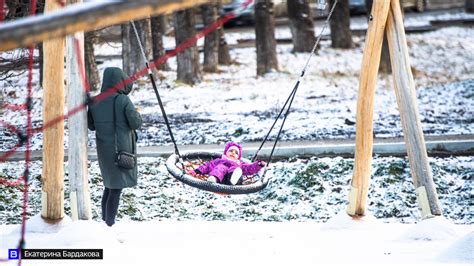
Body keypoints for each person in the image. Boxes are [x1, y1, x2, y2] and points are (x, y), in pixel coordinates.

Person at [87, 67, 142, 227]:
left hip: (104, 151)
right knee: (116, 189)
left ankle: (105, 223)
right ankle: (109, 225)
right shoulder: (123, 100)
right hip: (122, 150)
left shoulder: (95, 101)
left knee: (109, 186)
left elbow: (91, 125)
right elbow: (135, 123)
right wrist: (137, 113)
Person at [189, 141, 266, 185]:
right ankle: (213, 178)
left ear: (238, 157)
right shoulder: (219, 161)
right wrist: (197, 171)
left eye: (236, 153)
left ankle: (233, 179)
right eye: (231, 151)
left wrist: (258, 165)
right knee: (221, 168)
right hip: (220, 180)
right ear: (226, 153)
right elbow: (207, 166)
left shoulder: (240, 164)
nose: (233, 153)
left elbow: (249, 169)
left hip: (234, 182)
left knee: (237, 169)